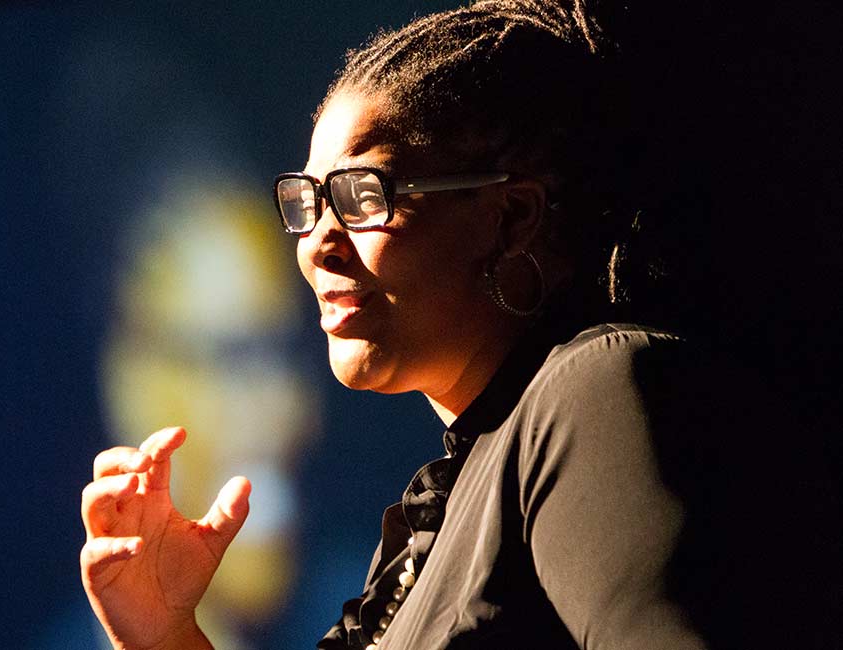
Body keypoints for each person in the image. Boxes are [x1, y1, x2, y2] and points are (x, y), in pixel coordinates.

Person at [79, 2, 840, 648]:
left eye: (362, 195)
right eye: (309, 201)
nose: (317, 241)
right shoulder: (433, 517)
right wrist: (168, 632)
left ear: (509, 216)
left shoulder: (595, 396)